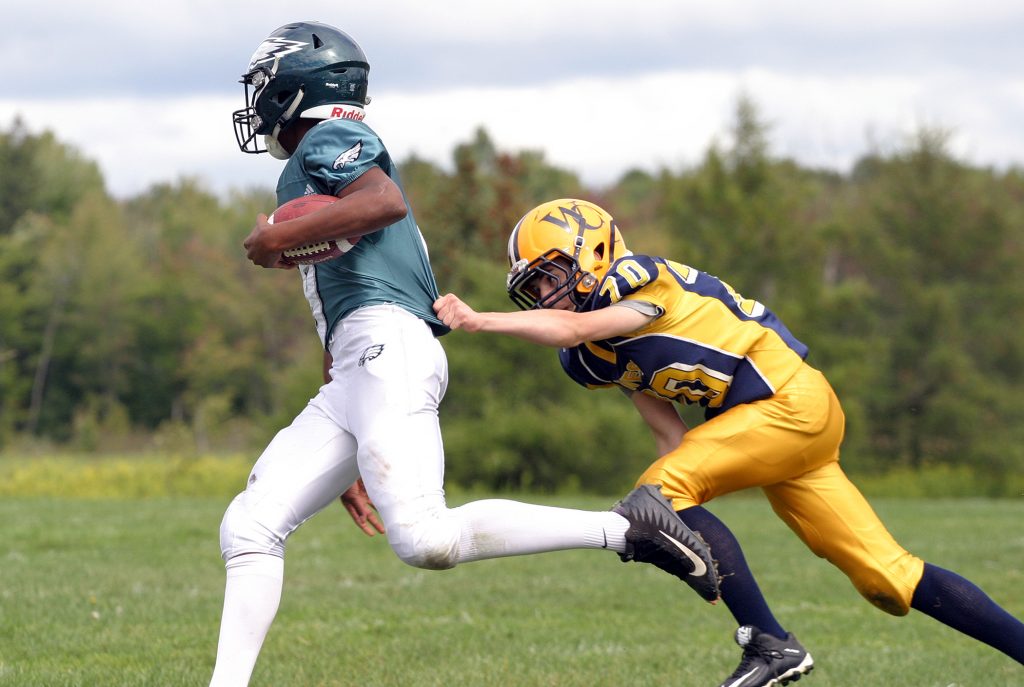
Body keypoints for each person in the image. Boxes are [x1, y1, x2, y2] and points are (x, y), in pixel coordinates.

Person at [209, 25, 718, 687]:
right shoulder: (315, 165)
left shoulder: (329, 140)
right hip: (364, 363)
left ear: (293, 87)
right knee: (250, 525)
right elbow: (348, 304)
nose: (258, 103)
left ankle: (628, 530)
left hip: (389, 350)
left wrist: (276, 235)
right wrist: (354, 432)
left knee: (425, 539)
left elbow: (381, 203)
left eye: (264, 88)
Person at [430, 198, 1024, 687]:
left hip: (788, 401)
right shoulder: (586, 357)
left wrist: (480, 319)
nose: (547, 295)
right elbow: (668, 432)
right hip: (771, 432)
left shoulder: (641, 277)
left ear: (597, 251)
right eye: (535, 286)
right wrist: (689, 528)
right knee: (887, 582)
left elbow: (580, 324)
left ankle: (771, 645)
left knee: (656, 494)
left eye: (551, 276)